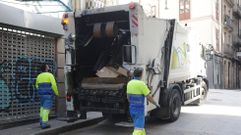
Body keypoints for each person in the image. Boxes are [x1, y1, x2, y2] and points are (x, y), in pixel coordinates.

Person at [127, 68, 160, 135]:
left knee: (138, 127)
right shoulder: (142, 84)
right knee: (138, 129)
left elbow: (128, 97)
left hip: (132, 108)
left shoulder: (129, 83)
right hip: (139, 109)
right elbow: (149, 97)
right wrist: (156, 104)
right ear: (141, 75)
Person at [36, 64, 58, 129]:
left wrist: (41, 90)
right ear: (46, 68)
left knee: (42, 108)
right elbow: (54, 85)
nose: (48, 67)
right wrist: (56, 93)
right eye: (48, 66)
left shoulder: (39, 76)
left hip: (41, 95)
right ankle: (44, 123)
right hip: (48, 95)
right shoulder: (50, 75)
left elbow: (37, 86)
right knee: (46, 109)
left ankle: (41, 121)